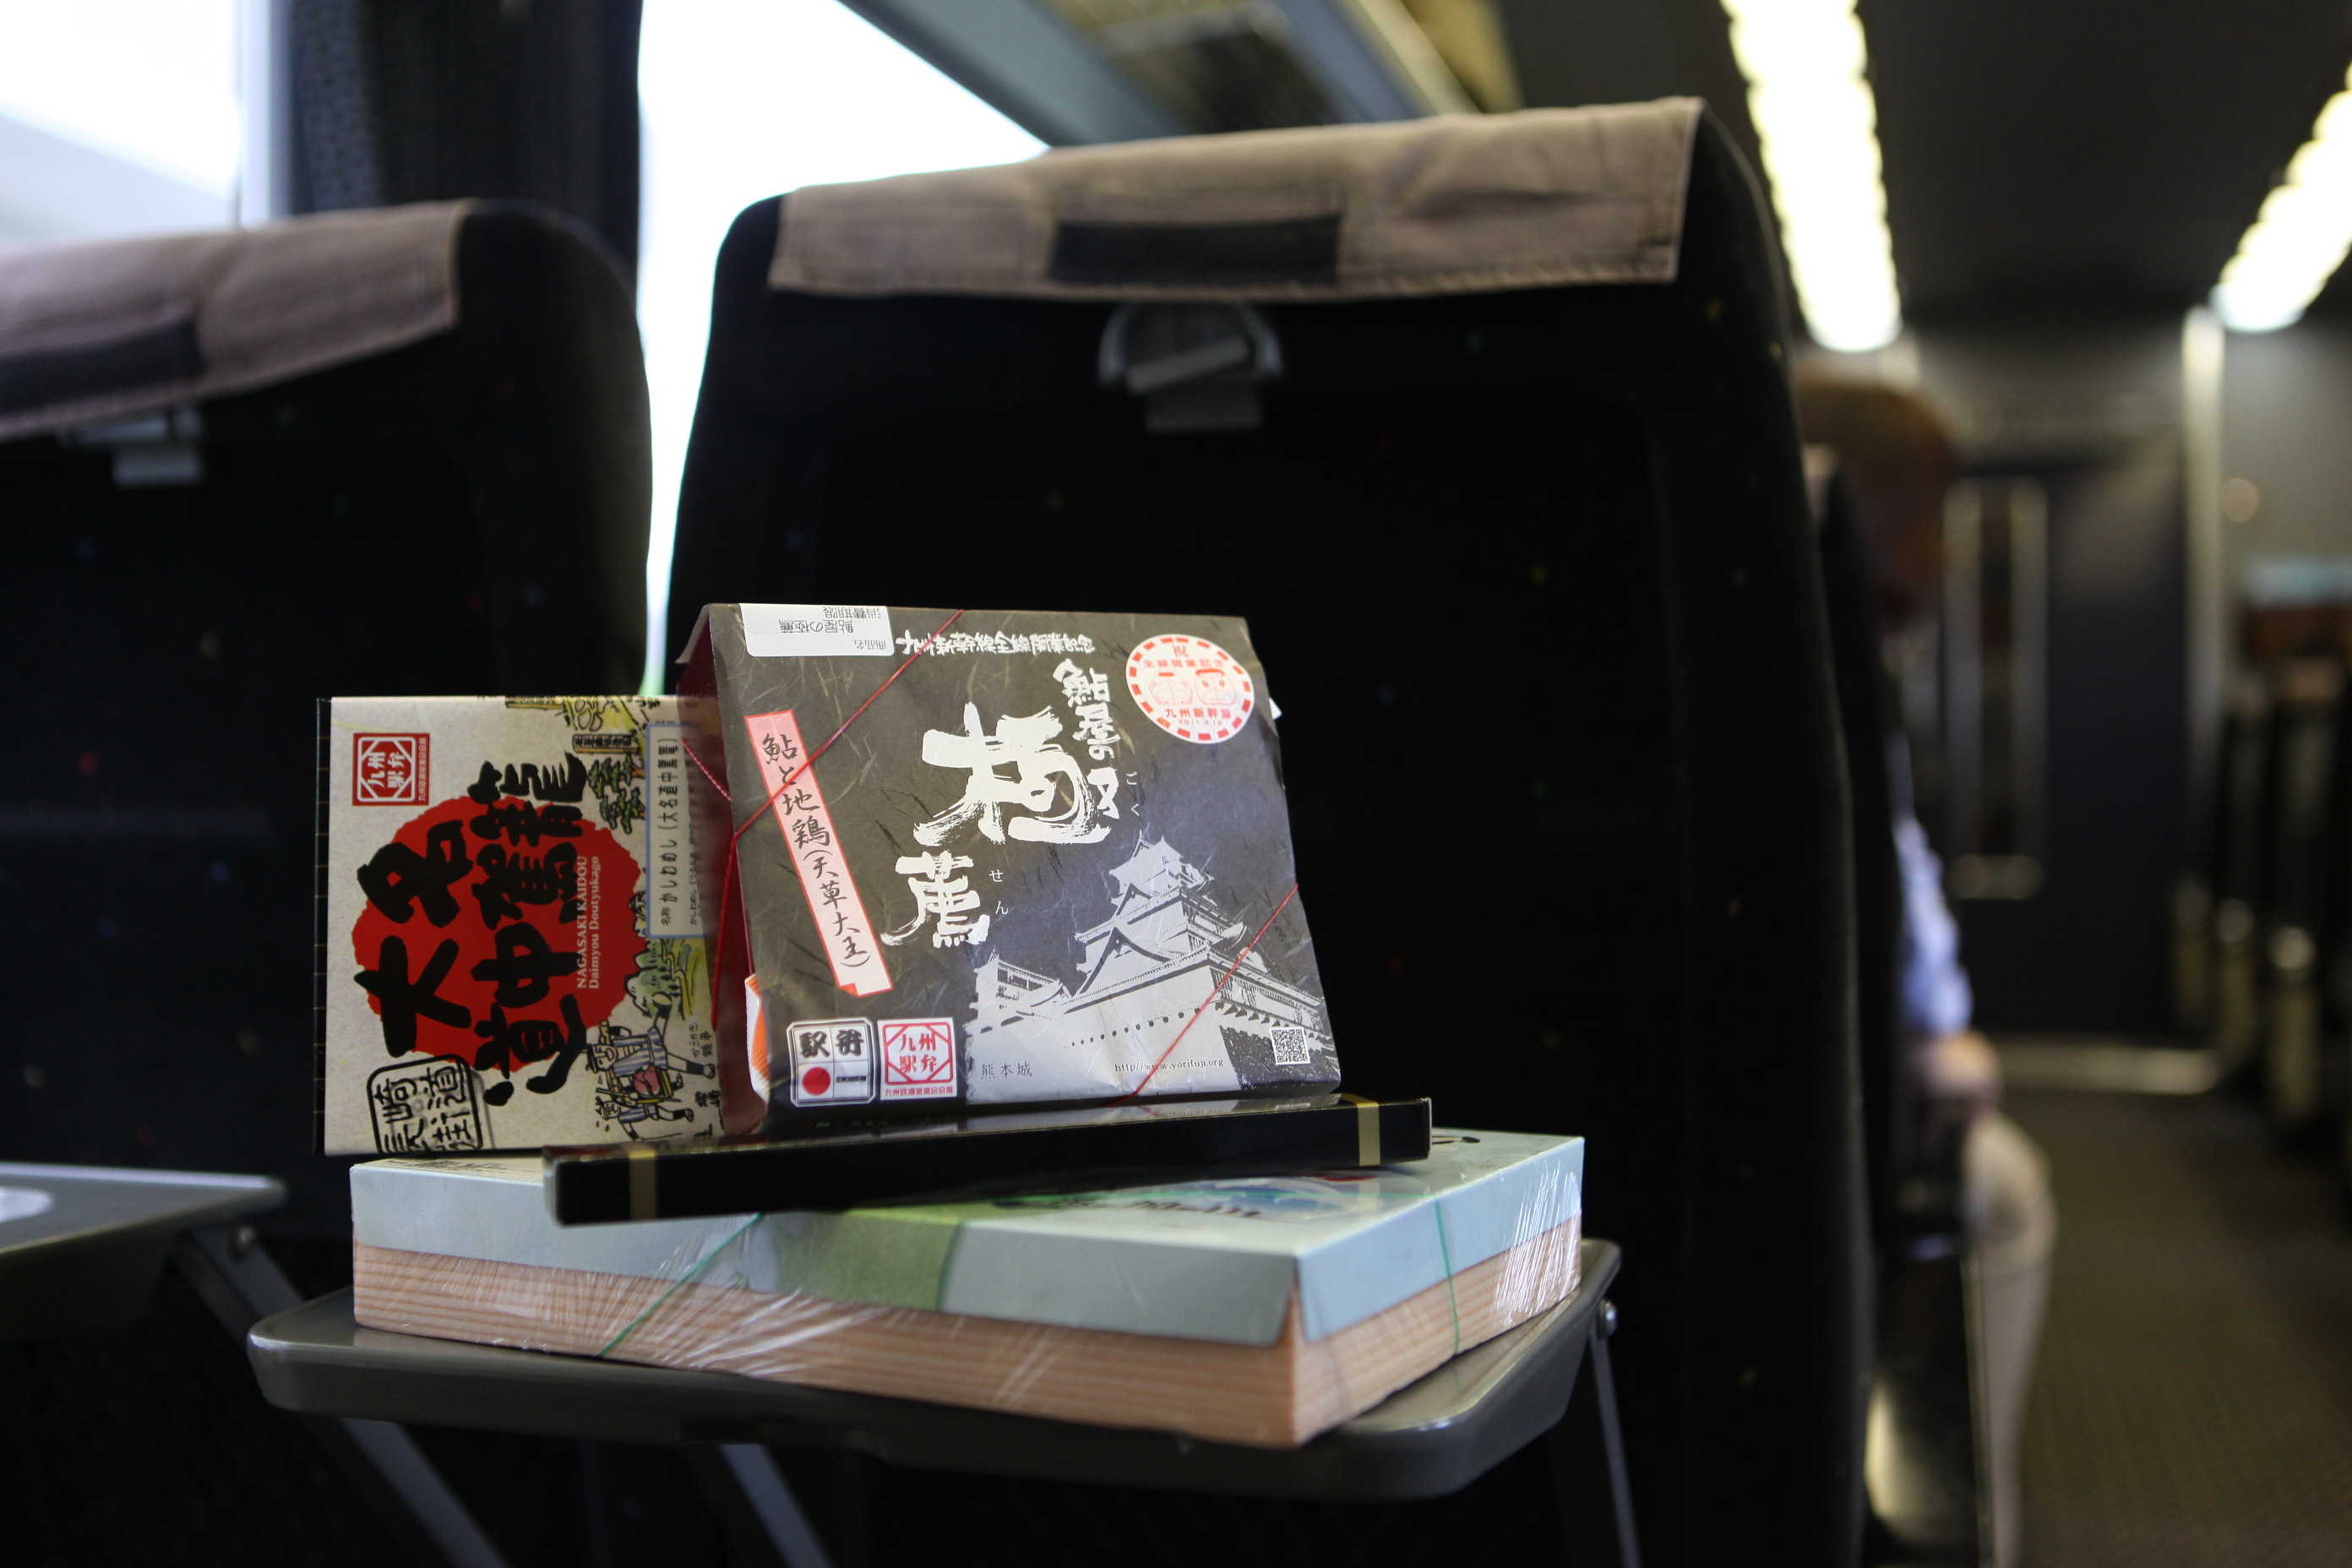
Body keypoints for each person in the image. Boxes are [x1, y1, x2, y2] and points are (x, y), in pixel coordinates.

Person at [1799, 374, 2057, 1568]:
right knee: (2004, 1180)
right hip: (1828, 1120)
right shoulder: (1831, 655)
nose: (1946, 558)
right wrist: (1943, 1033)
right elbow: (1904, 917)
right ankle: (1970, 1521)